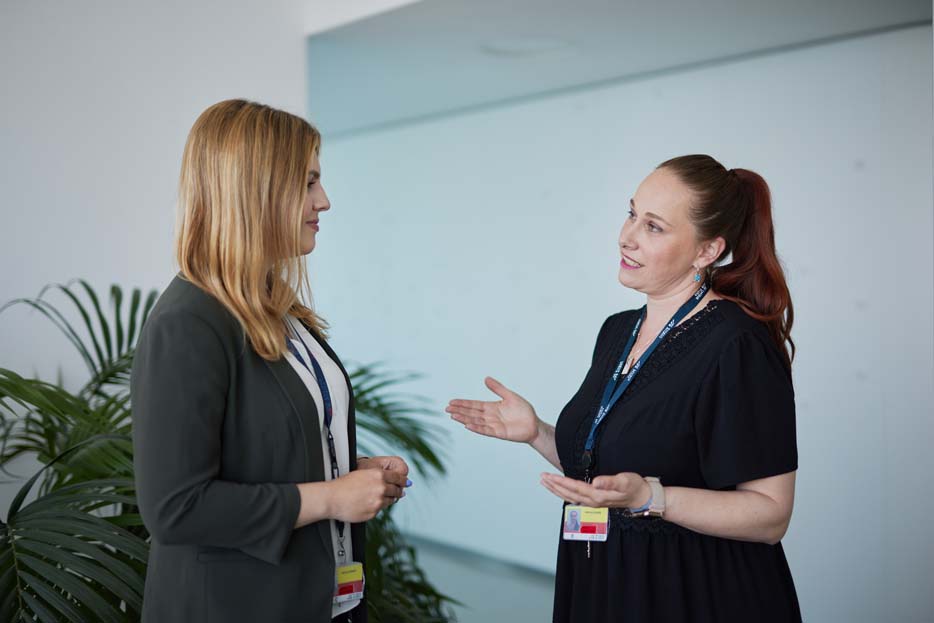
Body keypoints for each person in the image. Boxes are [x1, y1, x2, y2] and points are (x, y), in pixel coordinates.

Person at [448, 154, 800, 622]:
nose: (627, 236)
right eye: (632, 213)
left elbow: (771, 516)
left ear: (707, 251)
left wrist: (651, 498)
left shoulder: (737, 343)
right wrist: (537, 433)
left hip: (694, 591)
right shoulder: (618, 330)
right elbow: (608, 474)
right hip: (605, 577)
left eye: (654, 227)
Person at [131, 99, 410, 623]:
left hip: (322, 599)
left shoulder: (277, 306)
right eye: (308, 183)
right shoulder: (188, 321)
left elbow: (262, 452)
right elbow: (176, 508)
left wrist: (348, 474)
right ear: (254, 191)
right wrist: (331, 497)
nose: (324, 201)